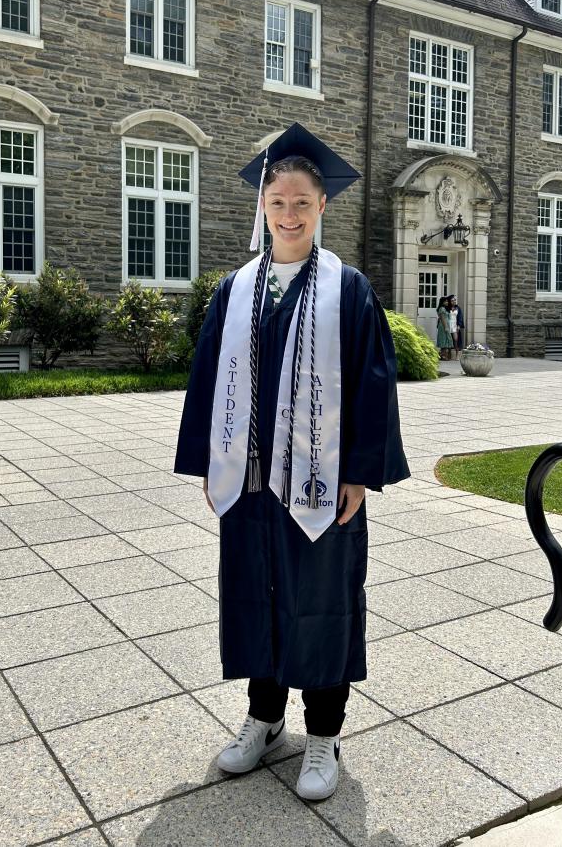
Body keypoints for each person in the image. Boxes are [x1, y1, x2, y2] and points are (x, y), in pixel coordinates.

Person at [174, 123, 409, 802]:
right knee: (256, 592)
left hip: (321, 478)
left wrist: (361, 472)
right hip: (249, 480)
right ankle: (264, 717)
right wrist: (210, 463)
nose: (288, 213)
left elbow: (372, 382)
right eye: (276, 201)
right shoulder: (235, 289)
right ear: (263, 206)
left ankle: (324, 734)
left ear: (322, 207)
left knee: (322, 600)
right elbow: (208, 378)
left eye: (301, 202)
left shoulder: (350, 289)